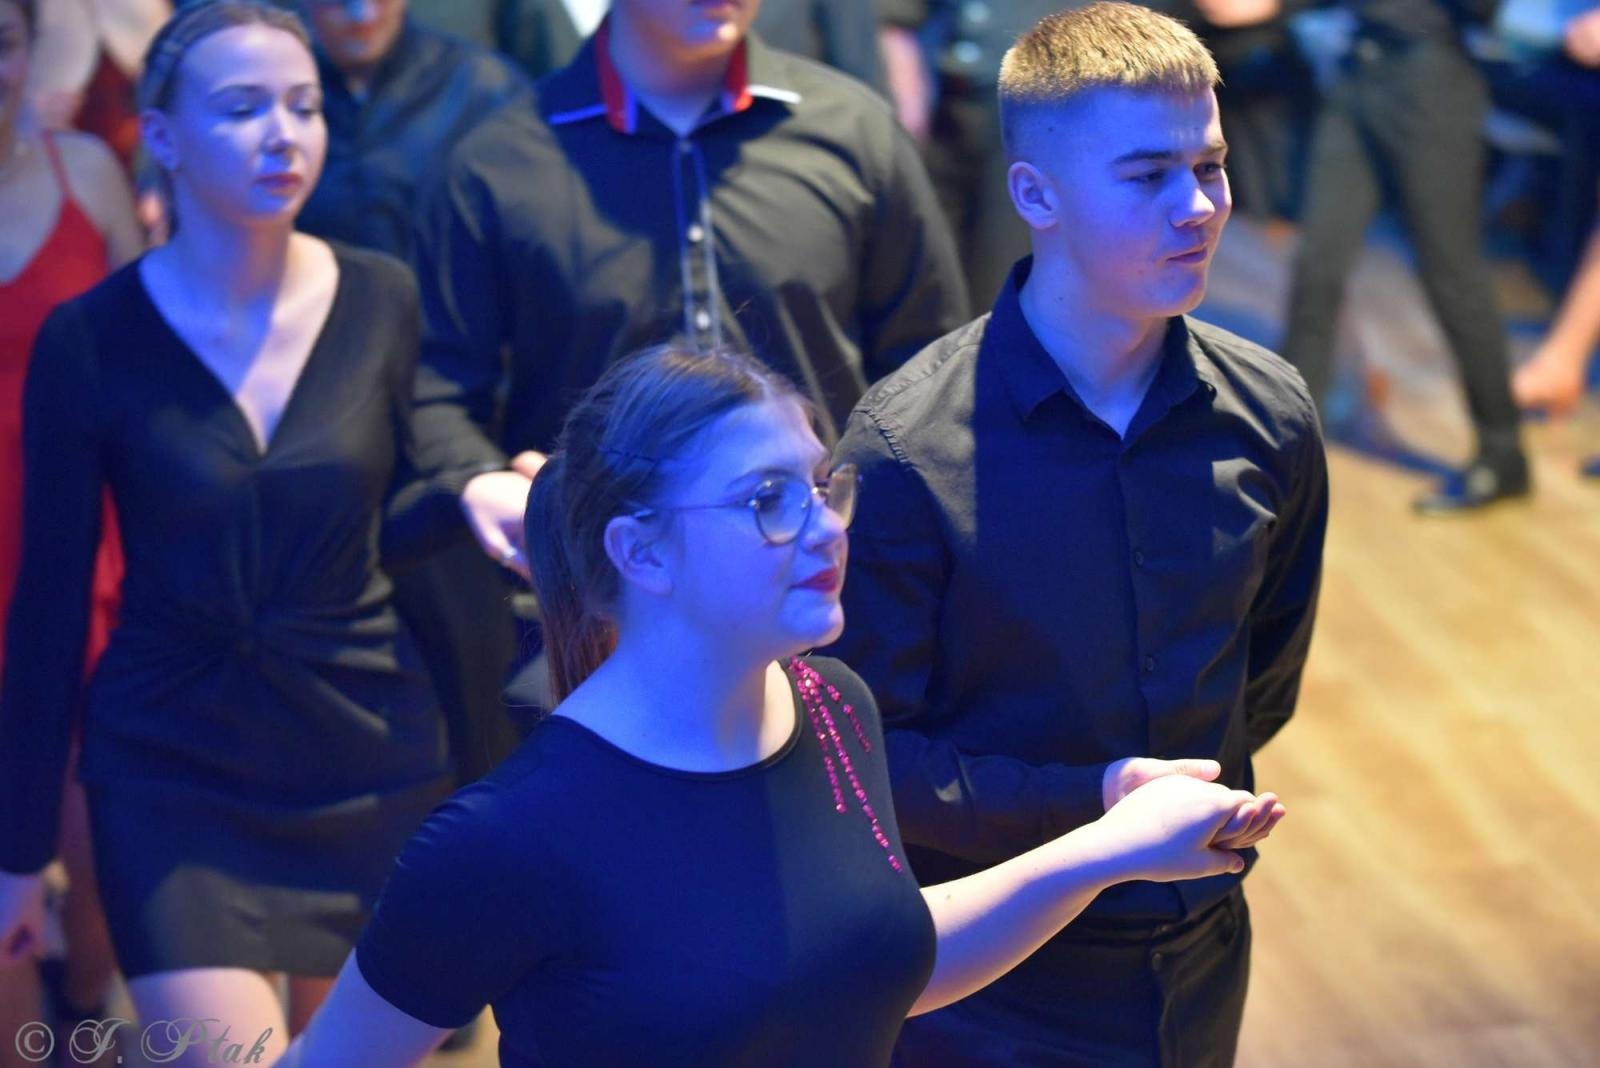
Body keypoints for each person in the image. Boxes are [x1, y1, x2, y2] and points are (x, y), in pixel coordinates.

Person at [278, 344, 1286, 1067]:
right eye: (768, 499)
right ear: (641, 552)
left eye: (821, 485)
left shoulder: (829, 707)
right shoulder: (506, 839)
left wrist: (1110, 847)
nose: (824, 527)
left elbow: (873, 958)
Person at [825, 5, 1327, 1065]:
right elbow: (862, 758)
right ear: (1034, 194)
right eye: (1147, 176)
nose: (1197, 207)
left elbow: (1259, 681)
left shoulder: (1271, 414)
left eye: (1212, 166)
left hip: (1197, 950)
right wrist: (1093, 811)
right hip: (984, 981)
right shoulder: (905, 452)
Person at [0, 3, 483, 1060]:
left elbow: (403, 506)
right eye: (244, 107)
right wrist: (17, 850)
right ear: (162, 135)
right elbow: (47, 604)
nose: (285, 133)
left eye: (304, 106)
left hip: (367, 755)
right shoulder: (92, 339)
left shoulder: (383, 297)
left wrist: (472, 490)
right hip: (172, 774)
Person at [416, 0, 968, 581]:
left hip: (832, 576)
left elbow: (930, 367)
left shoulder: (854, 130)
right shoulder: (499, 161)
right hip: (605, 593)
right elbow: (437, 388)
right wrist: (479, 477)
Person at [294, 0, 534, 786]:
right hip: (306, 439)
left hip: (453, 434)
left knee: (482, 707)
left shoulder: (483, 89)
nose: (361, 10)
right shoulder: (276, 91)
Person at [0, 0, 141, 1043]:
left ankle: (83, 1007)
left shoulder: (85, 171)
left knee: (101, 846)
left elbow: (149, 360)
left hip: (84, 551)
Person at [1267, 0, 1528, 513]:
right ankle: (1287, 447)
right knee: (1317, 265)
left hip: (1430, 83)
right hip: (1356, 76)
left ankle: (1504, 454)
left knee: (1451, 275)